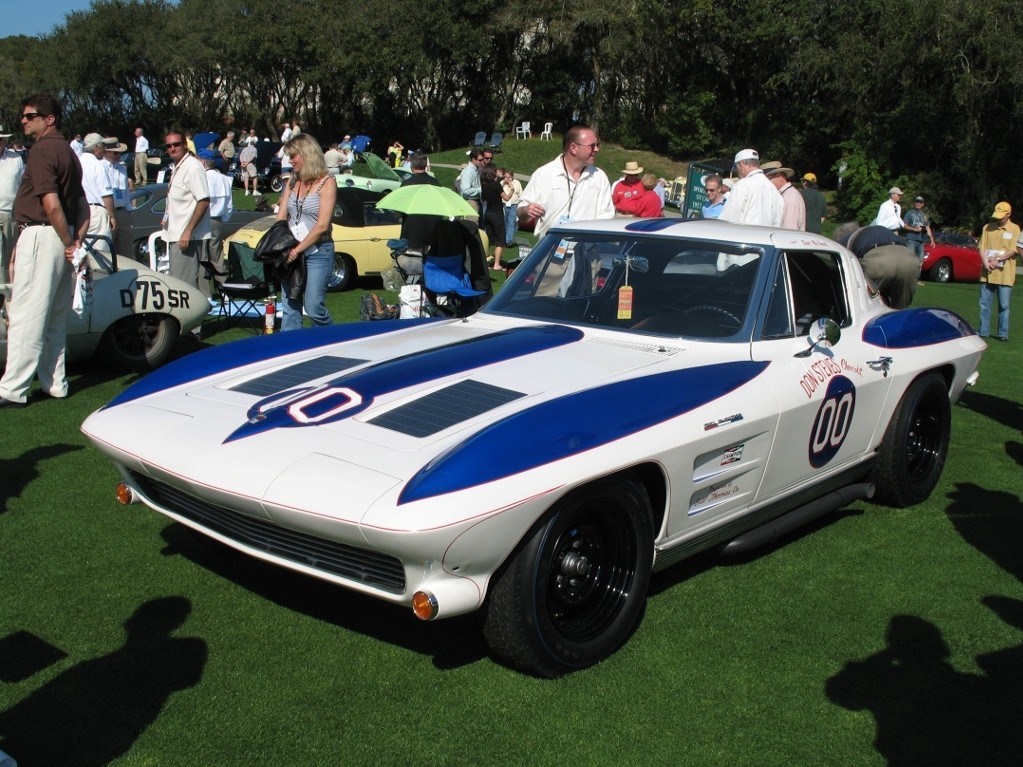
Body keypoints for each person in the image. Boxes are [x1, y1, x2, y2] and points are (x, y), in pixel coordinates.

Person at [0, 93, 89, 408]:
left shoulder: (41, 151)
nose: (23, 121)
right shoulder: (69, 152)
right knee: (53, 317)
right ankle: (55, 384)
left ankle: (13, 389)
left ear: (49, 118)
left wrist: (69, 241)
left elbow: (51, 204)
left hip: (42, 235)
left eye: (30, 116)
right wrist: (74, 242)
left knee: (27, 315)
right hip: (59, 238)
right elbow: (82, 207)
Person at [275, 133, 336, 331]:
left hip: (318, 251)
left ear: (307, 154)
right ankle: (289, 350)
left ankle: (333, 340)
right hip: (291, 249)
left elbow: (322, 226)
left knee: (313, 307)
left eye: (293, 156)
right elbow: (282, 215)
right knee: (290, 305)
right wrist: (282, 245)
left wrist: (297, 250)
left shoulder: (327, 182)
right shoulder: (293, 181)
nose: (290, 161)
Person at [517, 124, 614, 239]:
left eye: (597, 145)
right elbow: (520, 213)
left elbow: (607, 216)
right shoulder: (544, 174)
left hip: (587, 251)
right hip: (550, 249)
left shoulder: (599, 177)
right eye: (592, 146)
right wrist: (527, 210)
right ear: (573, 148)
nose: (596, 149)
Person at [162, 129, 211, 302]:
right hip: (175, 234)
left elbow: (203, 200)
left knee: (185, 286)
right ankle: (185, 326)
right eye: (169, 146)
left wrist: (188, 230)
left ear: (184, 145)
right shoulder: (178, 166)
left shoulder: (192, 166)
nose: (173, 148)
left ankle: (193, 328)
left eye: (176, 144)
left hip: (186, 237)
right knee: (178, 284)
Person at [838, 224, 920, 309]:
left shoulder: (846, 239)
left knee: (863, 304)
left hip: (879, 260)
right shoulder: (878, 230)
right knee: (900, 309)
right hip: (908, 259)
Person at [977, 201, 1019, 342]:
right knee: (984, 304)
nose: (999, 218)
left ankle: (1003, 333)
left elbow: (1013, 249)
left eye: (1002, 215)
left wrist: (997, 259)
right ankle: (983, 331)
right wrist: (985, 262)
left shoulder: (1015, 229)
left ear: (1008, 214)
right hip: (987, 273)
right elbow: (981, 247)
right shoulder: (987, 227)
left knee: (1004, 305)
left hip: (1005, 274)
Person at [719, 149, 783, 227]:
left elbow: (727, 221)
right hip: (765, 238)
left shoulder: (742, 185)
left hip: (743, 237)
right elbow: (777, 223)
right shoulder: (774, 190)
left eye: (736, 168)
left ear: (741, 165)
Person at [197, 149, 233, 282]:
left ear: (203, 161)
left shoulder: (202, 177)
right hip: (217, 219)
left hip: (203, 217)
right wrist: (224, 218)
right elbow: (229, 203)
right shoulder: (224, 179)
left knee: (202, 254)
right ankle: (223, 285)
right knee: (217, 253)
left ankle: (205, 290)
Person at [397, 152, 441, 259]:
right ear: (426, 166)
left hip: (412, 232)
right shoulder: (436, 184)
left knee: (413, 268)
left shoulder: (407, 185)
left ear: (411, 166)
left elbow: (400, 209)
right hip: (433, 232)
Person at [78, 132, 116, 254]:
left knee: (82, 250)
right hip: (96, 211)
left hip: (78, 210)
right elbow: (106, 194)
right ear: (96, 148)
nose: (104, 150)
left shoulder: (76, 162)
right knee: (101, 251)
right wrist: (112, 216)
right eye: (102, 147)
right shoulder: (98, 165)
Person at [102, 138, 133, 259]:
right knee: (109, 247)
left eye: (119, 153)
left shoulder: (122, 168)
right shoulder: (101, 167)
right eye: (115, 153)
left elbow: (125, 190)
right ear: (106, 152)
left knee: (126, 248)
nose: (118, 155)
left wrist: (129, 210)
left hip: (123, 210)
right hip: (109, 211)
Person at [0, 129, 25, 276]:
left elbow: (24, 186)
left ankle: (7, 294)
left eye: (0, 140)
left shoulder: (16, 159)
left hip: (11, 214)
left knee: (10, 256)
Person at [762, 162, 806, 230]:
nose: (766, 184)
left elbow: (789, 232)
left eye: (768, 179)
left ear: (779, 176)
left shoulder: (790, 199)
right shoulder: (786, 195)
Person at [480, 164, 507, 269]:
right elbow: (506, 198)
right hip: (497, 213)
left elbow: (483, 199)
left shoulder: (484, 185)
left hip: (488, 213)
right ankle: (496, 264)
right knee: (500, 239)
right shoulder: (496, 184)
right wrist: (512, 190)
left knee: (488, 238)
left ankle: (486, 260)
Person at [903, 196, 935, 262]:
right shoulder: (909, 213)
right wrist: (914, 229)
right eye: (917, 202)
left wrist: (932, 240)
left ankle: (918, 272)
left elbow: (927, 227)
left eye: (920, 202)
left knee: (921, 260)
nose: (918, 203)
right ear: (914, 203)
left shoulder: (924, 215)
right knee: (909, 258)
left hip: (921, 241)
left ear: (923, 204)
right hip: (911, 239)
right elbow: (904, 225)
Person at [501, 167, 522, 245]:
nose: (507, 179)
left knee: (511, 222)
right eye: (505, 177)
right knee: (504, 222)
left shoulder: (517, 183)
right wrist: (504, 183)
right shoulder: (502, 183)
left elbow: (520, 195)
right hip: (504, 205)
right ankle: (505, 239)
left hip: (513, 205)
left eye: (508, 177)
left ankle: (509, 241)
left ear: (512, 177)